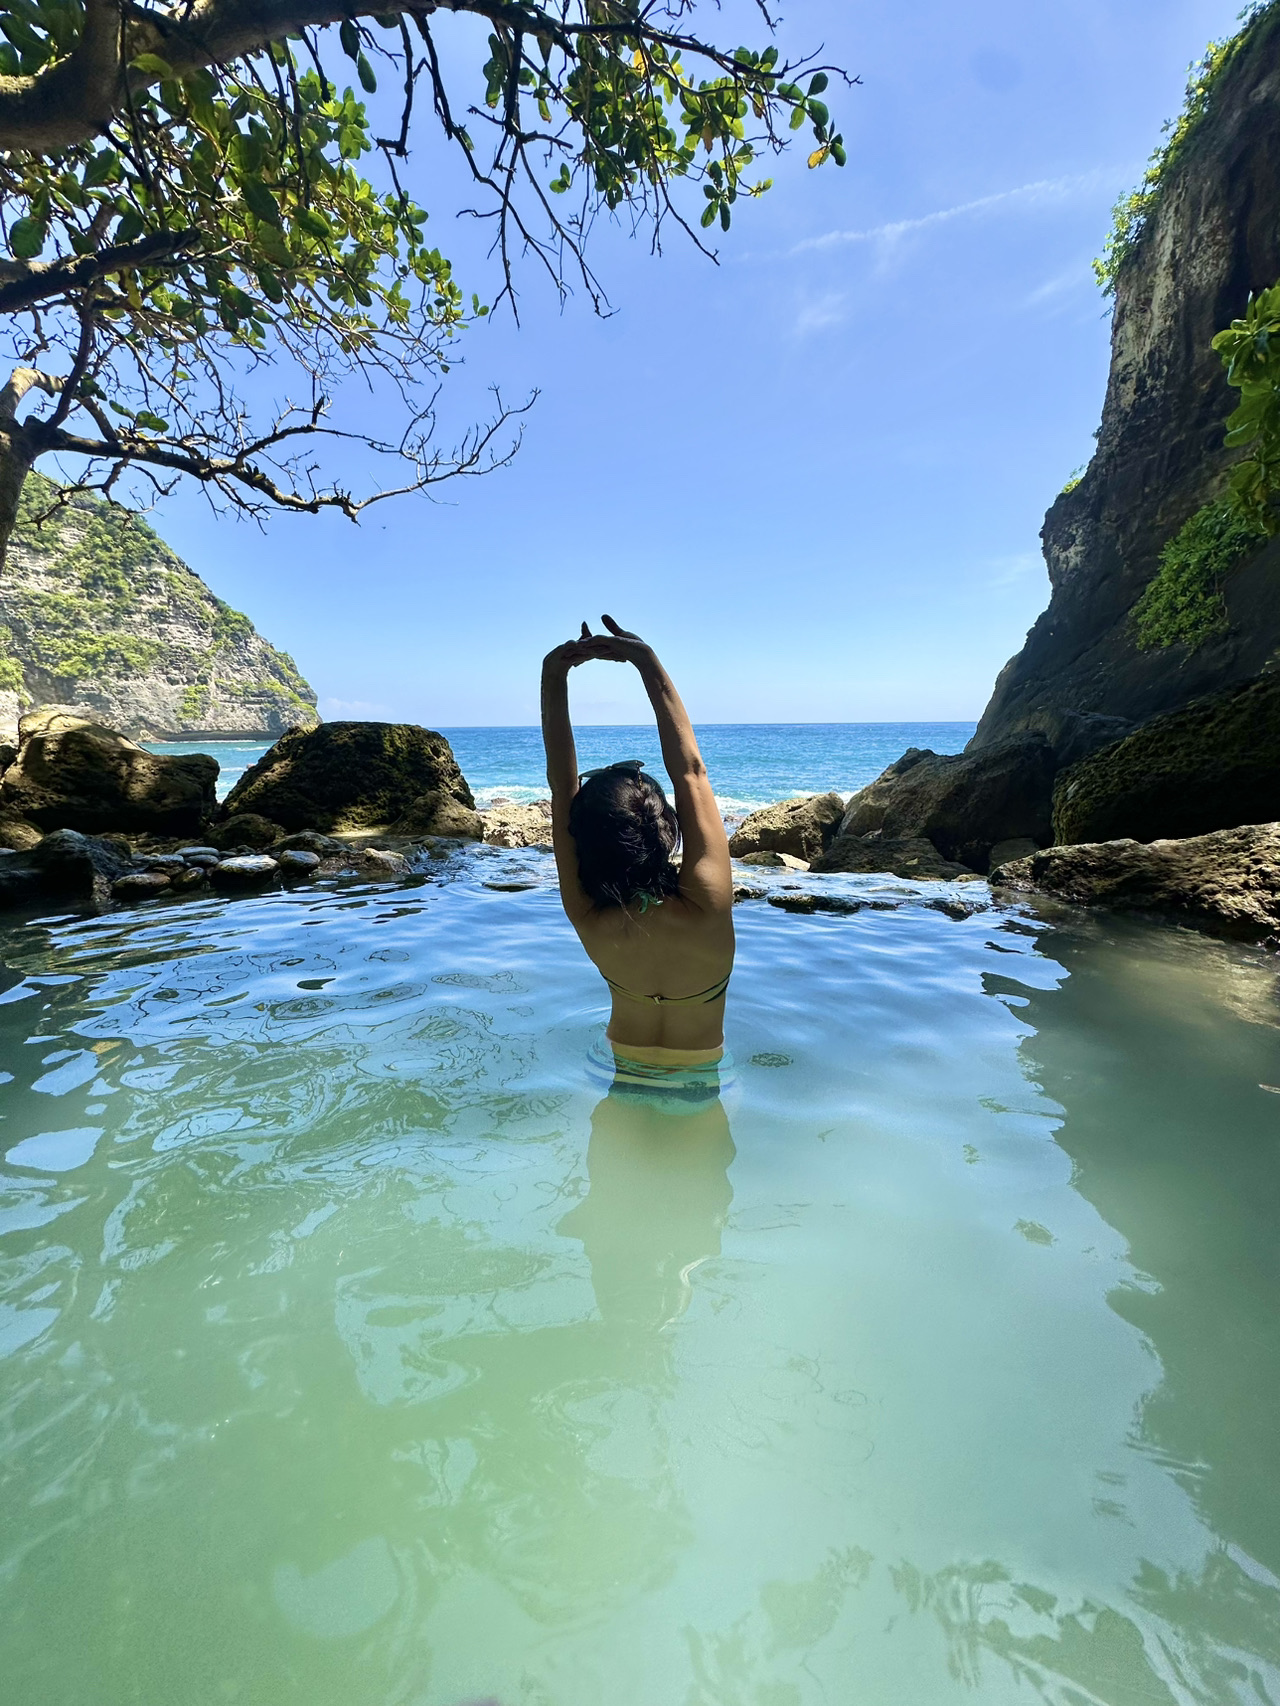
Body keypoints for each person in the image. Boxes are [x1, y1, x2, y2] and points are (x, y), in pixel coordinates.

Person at [541, 616, 735, 1080]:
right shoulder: (707, 906)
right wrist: (646, 661)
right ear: (666, 829)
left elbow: (560, 783)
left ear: (584, 838)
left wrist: (554, 674)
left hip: (619, 1067)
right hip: (700, 1076)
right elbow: (690, 771)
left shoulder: (587, 913)